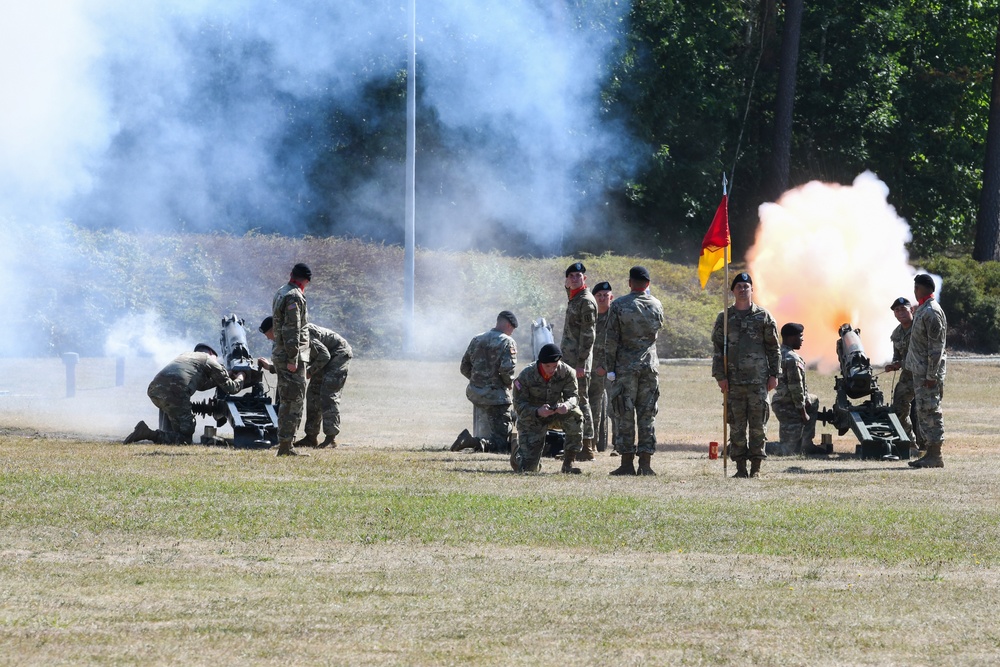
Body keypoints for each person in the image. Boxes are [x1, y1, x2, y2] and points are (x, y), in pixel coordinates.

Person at [712, 272, 780, 478]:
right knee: (737, 427)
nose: (742, 289)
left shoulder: (763, 316)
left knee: (758, 427)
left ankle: (756, 469)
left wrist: (774, 374)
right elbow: (717, 350)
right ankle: (740, 468)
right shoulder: (725, 318)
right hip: (733, 382)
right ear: (733, 291)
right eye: (738, 286)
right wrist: (720, 376)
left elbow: (773, 349)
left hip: (759, 381)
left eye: (746, 286)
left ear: (752, 289)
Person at [604, 266, 664, 476]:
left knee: (625, 414)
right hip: (649, 367)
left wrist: (610, 367)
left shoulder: (619, 305)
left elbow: (611, 340)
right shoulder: (656, 305)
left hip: (625, 368)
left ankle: (627, 462)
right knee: (647, 415)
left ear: (630, 282)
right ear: (647, 284)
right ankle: (645, 464)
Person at [259, 316, 352, 449]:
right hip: (320, 359)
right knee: (313, 396)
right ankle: (311, 437)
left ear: (275, 329)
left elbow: (325, 355)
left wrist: (310, 371)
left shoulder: (300, 334)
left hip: (338, 353)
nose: (268, 339)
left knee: (328, 395)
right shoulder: (283, 339)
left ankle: (331, 438)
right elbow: (288, 364)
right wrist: (270, 367)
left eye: (268, 335)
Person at [123, 344, 245, 444]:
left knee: (178, 430)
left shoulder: (186, 356)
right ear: (210, 353)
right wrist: (241, 376)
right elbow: (232, 388)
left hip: (155, 391)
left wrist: (224, 376)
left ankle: (162, 434)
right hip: (175, 394)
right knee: (185, 439)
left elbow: (201, 386)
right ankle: (147, 433)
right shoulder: (209, 360)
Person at [452, 311, 518, 454]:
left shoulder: (477, 339)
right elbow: (507, 370)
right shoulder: (507, 342)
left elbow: (464, 367)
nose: (512, 333)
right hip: (496, 397)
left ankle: (478, 439)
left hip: (475, 393)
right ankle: (470, 441)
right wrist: (508, 384)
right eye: (512, 329)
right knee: (501, 443)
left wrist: (478, 382)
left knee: (486, 426)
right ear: (507, 325)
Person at [511, 343, 584, 474]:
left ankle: (568, 464)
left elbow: (574, 396)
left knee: (576, 415)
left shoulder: (567, 372)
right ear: (540, 363)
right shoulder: (526, 375)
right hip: (532, 418)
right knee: (529, 469)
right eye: (547, 366)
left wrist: (566, 405)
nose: (551, 370)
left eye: (555, 366)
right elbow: (518, 405)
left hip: (556, 414)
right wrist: (537, 411)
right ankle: (518, 452)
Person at [905, 274, 948, 468]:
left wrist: (932, 375)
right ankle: (929, 453)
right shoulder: (923, 309)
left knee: (931, 411)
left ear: (923, 289)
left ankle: (935, 455)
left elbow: (936, 348)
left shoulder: (931, 312)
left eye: (916, 288)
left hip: (927, 373)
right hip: (920, 371)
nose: (914, 291)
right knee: (923, 410)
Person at [270, 262, 312, 457]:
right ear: (306, 280)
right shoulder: (294, 295)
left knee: (287, 399)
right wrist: (293, 358)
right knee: (293, 401)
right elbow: (292, 329)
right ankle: (286, 446)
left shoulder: (281, 291)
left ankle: (285, 444)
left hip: (281, 352)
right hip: (290, 355)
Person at [561, 262, 598, 462]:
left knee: (582, 401)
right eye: (571, 276)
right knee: (573, 399)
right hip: (569, 361)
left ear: (585, 278)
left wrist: (581, 363)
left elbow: (588, 335)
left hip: (578, 362)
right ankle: (574, 445)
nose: (575, 278)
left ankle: (587, 446)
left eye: (578, 275)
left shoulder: (586, 301)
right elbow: (568, 289)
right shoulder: (574, 297)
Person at [770, 323, 820, 456]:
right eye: (800, 336)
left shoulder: (778, 353)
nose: (802, 339)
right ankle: (751, 447)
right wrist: (803, 413)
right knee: (788, 450)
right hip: (788, 405)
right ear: (791, 338)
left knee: (813, 399)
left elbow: (800, 388)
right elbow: (796, 387)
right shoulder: (792, 358)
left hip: (782, 401)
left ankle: (806, 445)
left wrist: (806, 400)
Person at [884, 296, 925, 453]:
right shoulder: (897, 334)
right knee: (899, 408)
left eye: (903, 309)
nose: (900, 312)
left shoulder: (920, 327)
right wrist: (894, 364)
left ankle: (927, 444)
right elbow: (898, 355)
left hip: (923, 374)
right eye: (897, 310)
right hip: (908, 376)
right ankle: (910, 444)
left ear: (911, 310)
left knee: (923, 409)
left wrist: (901, 363)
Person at [589, 281, 615, 454]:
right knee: (593, 406)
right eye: (599, 295)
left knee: (616, 408)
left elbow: (618, 344)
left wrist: (606, 367)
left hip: (612, 370)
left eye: (606, 295)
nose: (602, 298)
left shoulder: (616, 317)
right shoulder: (590, 317)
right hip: (592, 371)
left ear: (611, 297)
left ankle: (619, 446)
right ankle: (594, 443)